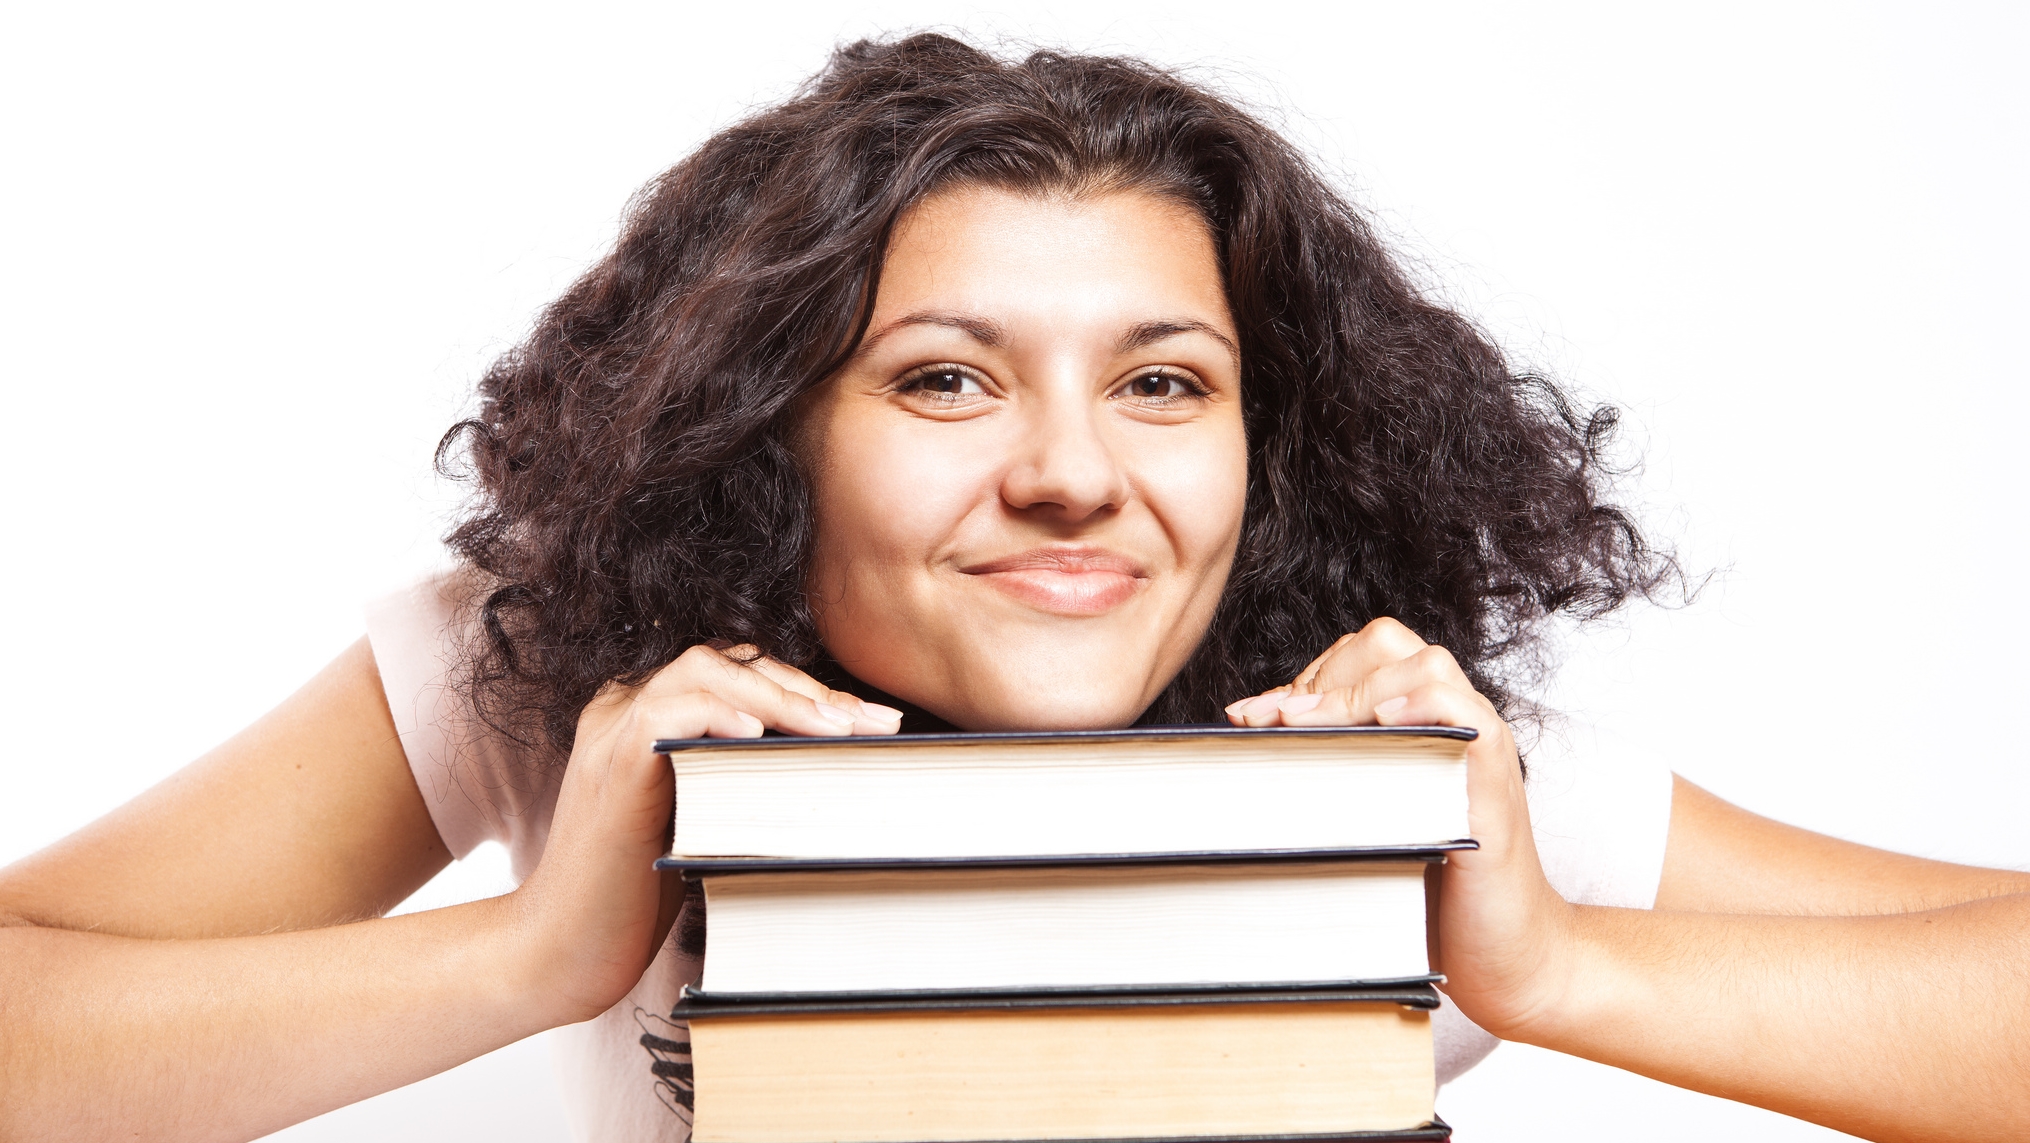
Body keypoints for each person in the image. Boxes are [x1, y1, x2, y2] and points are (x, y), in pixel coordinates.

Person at [1, 32, 2024, 1143]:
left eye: (1164, 382)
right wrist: (532, 947)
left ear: (1269, 443)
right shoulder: (558, 682)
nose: (1071, 472)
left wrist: (1563, 965)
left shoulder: (1377, 762)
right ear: (773, 426)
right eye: (944, 377)